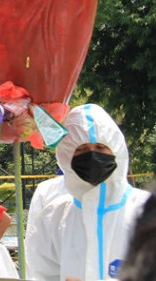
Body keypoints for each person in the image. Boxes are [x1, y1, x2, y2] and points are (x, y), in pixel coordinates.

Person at [25, 103, 150, 281]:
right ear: (67, 156)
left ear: (116, 149)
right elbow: (41, 274)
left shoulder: (146, 212)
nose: (92, 157)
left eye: (100, 147)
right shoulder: (54, 217)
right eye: (81, 149)